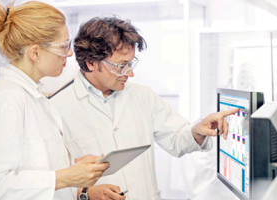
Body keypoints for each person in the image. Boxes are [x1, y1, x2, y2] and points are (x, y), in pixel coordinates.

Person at [50, 16, 239, 199]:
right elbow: (48, 181)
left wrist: (198, 130)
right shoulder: (54, 107)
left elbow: (177, 139)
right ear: (91, 63)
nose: (130, 73)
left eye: (131, 63)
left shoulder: (143, 96)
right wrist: (84, 194)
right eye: (121, 65)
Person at [0, 1, 118, 200]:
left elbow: (33, 168)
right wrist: (64, 177)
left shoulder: (34, 95)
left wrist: (73, 169)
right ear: (35, 53)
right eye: (64, 46)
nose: (70, 53)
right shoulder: (8, 99)